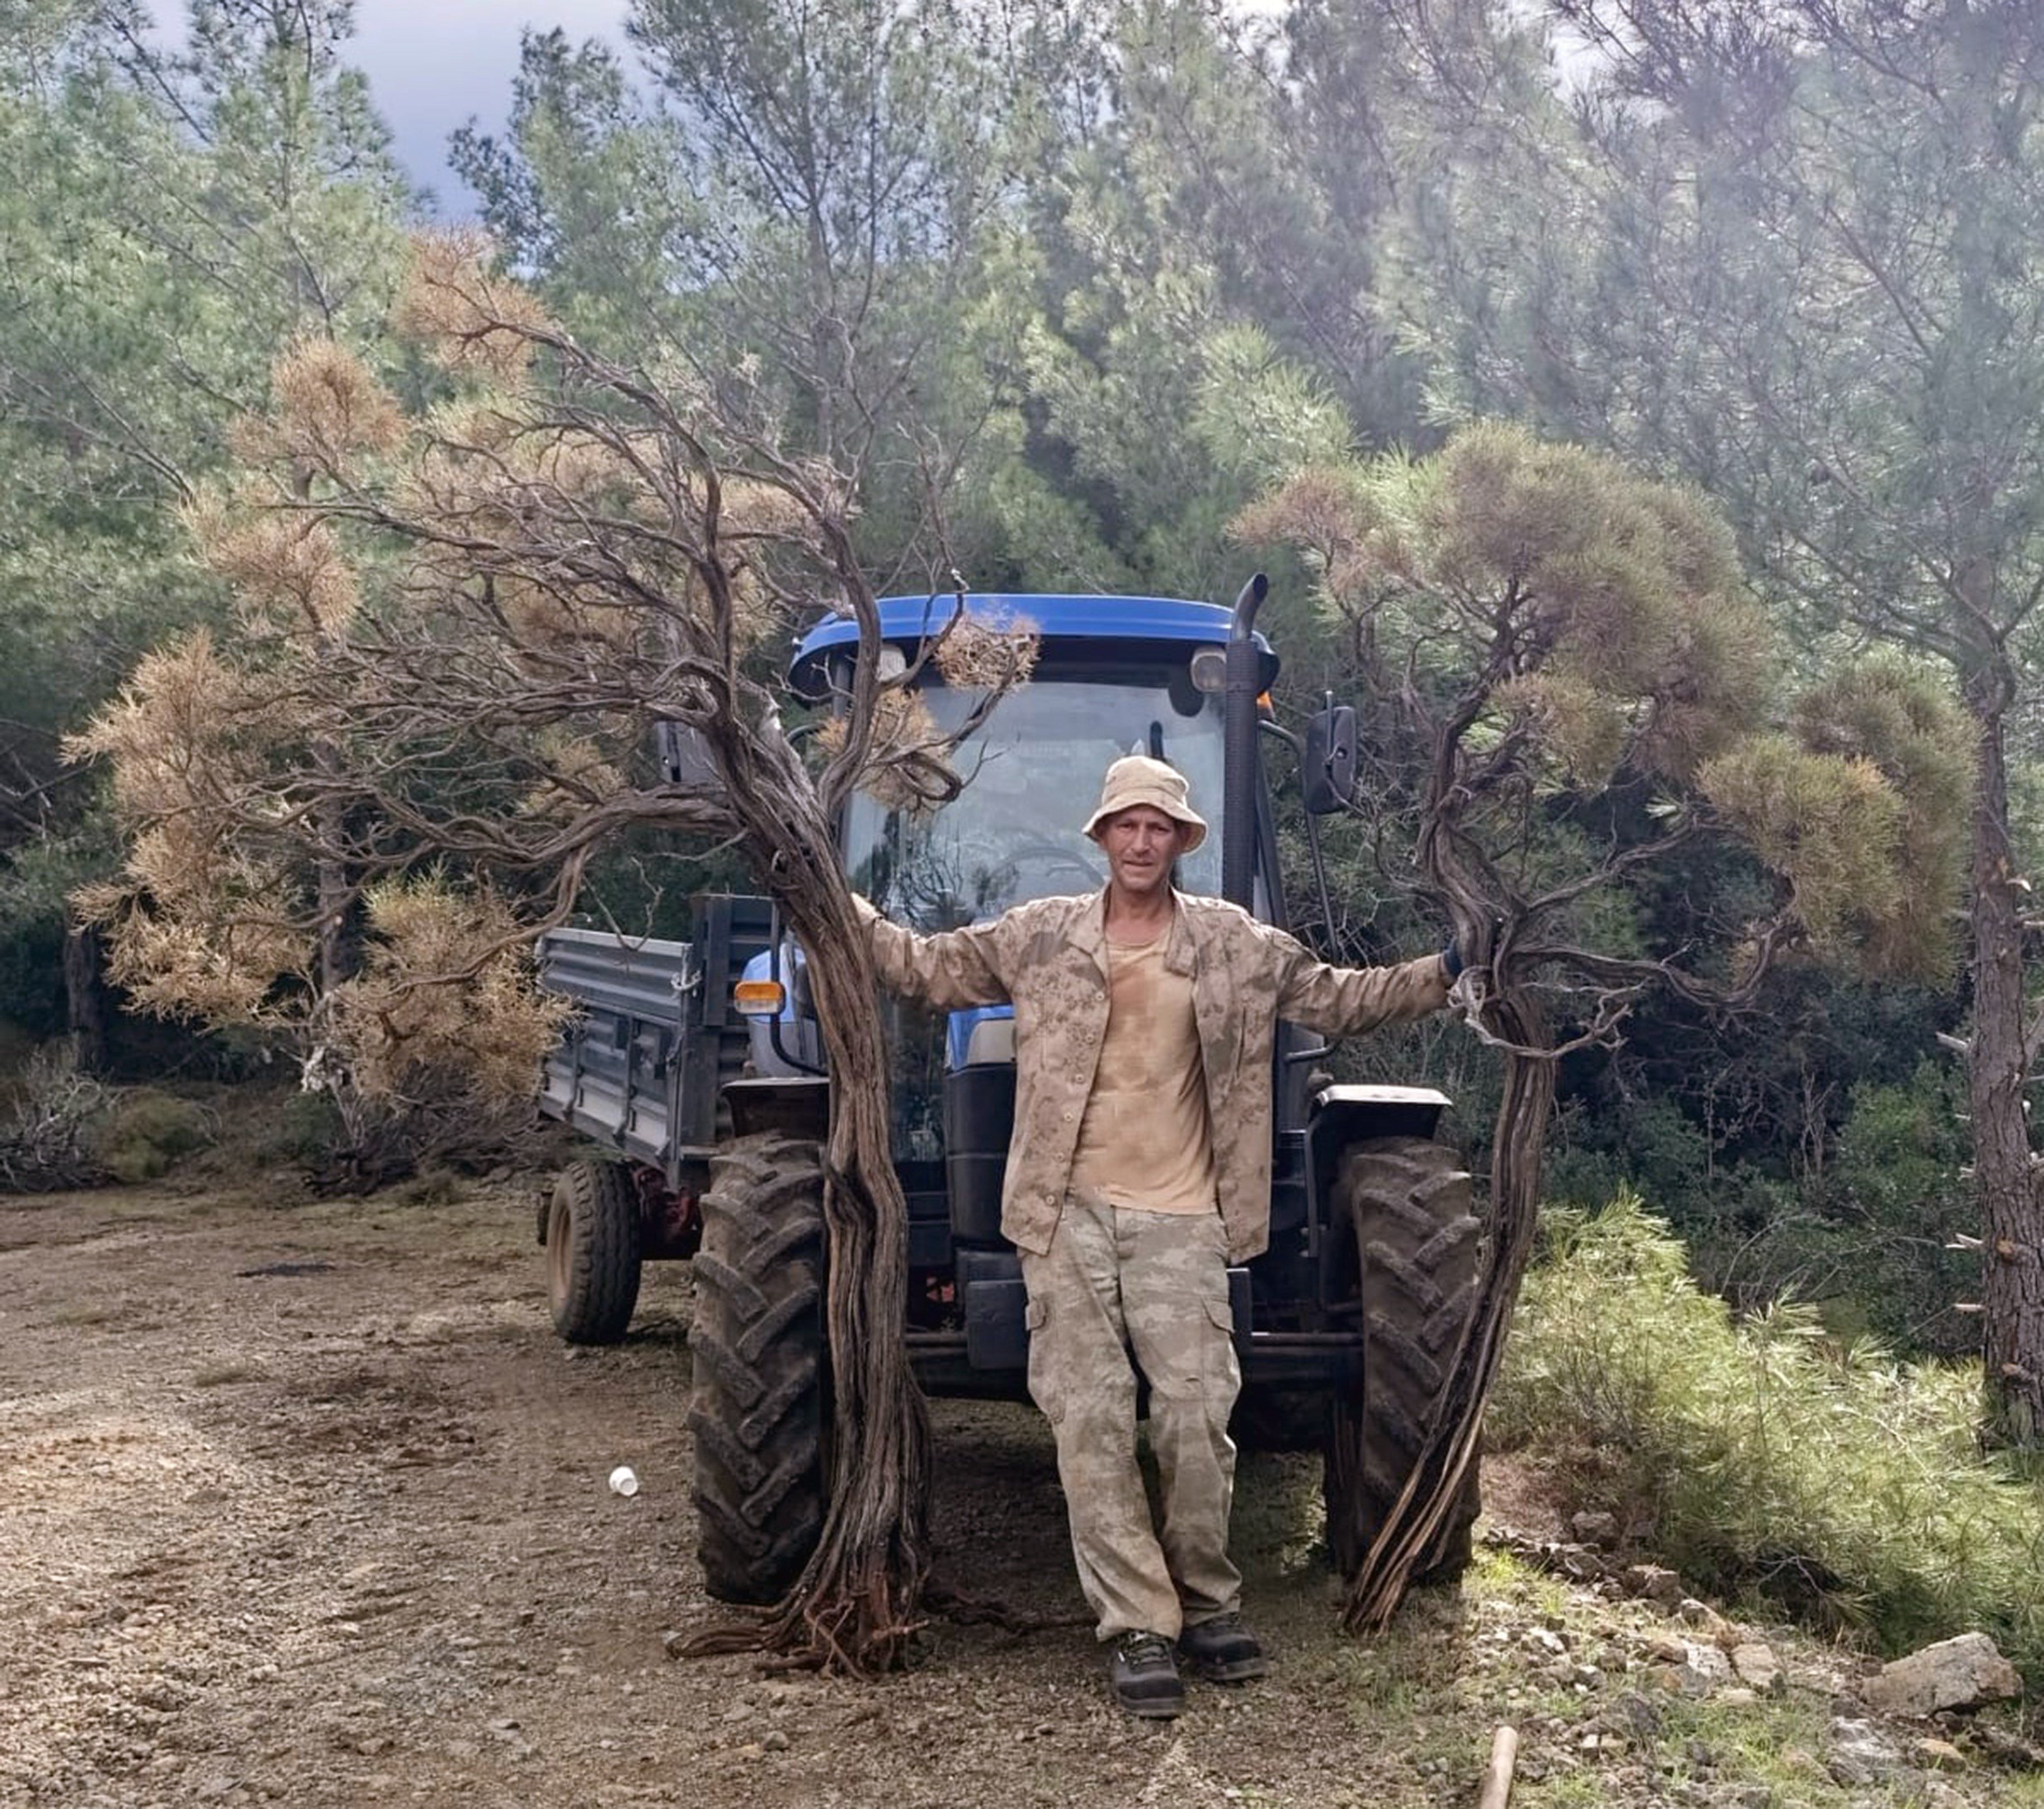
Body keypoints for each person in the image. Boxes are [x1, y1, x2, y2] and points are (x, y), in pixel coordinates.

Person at [855, 755, 1456, 1718]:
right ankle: (1138, 1623)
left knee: (1195, 1417)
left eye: (1159, 827)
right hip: (1064, 1213)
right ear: (1102, 836)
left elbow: (1343, 998)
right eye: (1127, 825)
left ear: (1180, 842)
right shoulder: (1039, 936)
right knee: (1090, 1421)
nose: (1141, 842)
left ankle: (1208, 1600)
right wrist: (837, 903)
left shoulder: (1233, 943)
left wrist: (1449, 969)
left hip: (1183, 1214)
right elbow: (921, 970)